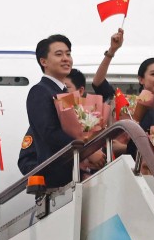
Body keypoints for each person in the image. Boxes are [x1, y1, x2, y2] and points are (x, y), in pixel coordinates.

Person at [25, 35, 105, 187]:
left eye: (68, 54)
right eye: (59, 54)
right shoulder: (40, 91)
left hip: (76, 173)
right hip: (56, 178)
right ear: (44, 62)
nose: (66, 58)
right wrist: (87, 151)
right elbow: (50, 133)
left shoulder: (64, 93)